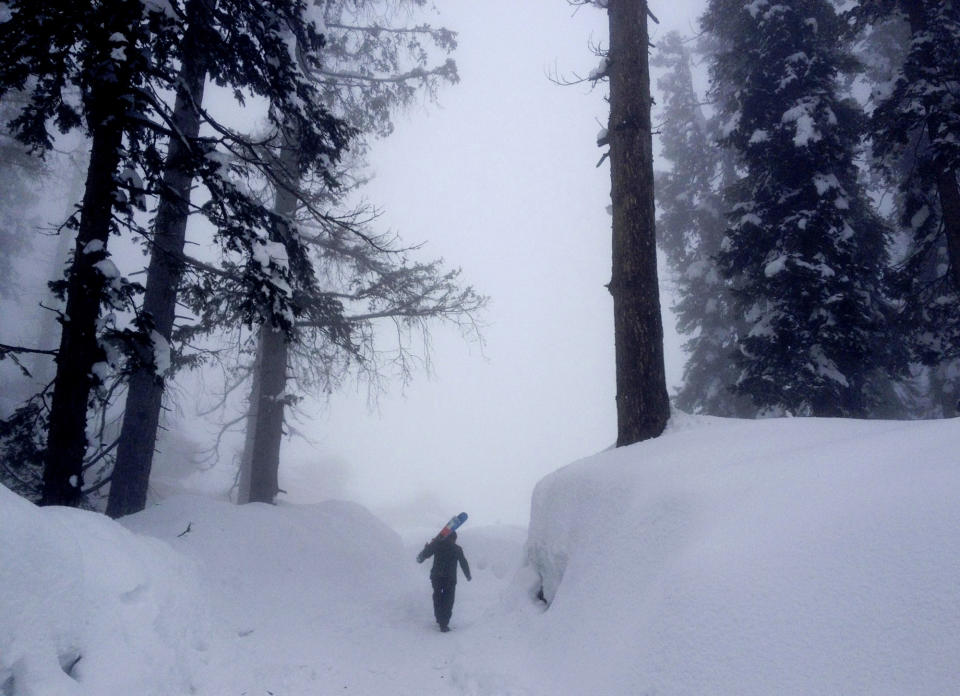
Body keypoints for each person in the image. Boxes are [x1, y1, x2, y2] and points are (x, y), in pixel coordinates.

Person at [416, 531, 471, 632]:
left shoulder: (437, 544)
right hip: (450, 578)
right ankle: (444, 623)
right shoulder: (457, 548)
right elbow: (463, 562)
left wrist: (427, 547)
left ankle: (438, 617)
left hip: (436, 576)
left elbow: (425, 554)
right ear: (454, 538)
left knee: (437, 596)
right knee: (448, 600)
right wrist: (468, 575)